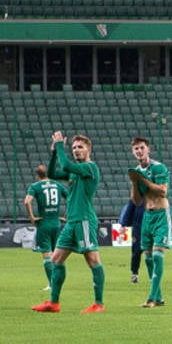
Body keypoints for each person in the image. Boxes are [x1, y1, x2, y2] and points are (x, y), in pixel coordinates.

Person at [32, 132, 105, 314]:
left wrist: (59, 146)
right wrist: (54, 153)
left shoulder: (90, 168)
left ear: (89, 149)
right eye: (73, 147)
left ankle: (99, 304)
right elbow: (51, 173)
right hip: (71, 222)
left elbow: (65, 165)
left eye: (80, 147)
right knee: (56, 259)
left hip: (84, 220)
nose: (76, 150)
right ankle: (53, 303)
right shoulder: (74, 170)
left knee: (93, 260)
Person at [128, 136, 171, 308]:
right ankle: (159, 297)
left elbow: (163, 191)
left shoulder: (159, 167)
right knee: (147, 258)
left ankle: (152, 298)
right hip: (146, 216)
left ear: (148, 149)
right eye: (136, 149)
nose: (139, 151)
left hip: (161, 215)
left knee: (158, 256)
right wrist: (134, 183)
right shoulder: (136, 172)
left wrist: (142, 180)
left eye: (142, 148)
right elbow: (137, 201)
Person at [25, 162, 67, 290]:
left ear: (37, 175)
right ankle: (58, 282)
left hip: (44, 223)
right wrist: (65, 216)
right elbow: (70, 198)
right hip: (56, 223)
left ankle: (52, 284)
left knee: (46, 255)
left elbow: (27, 201)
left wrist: (32, 217)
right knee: (57, 255)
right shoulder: (58, 185)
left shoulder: (35, 186)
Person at [120, 198, 145, 284]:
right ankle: (134, 274)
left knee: (153, 252)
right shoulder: (136, 196)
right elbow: (129, 209)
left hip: (151, 226)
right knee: (136, 252)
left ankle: (153, 275)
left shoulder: (152, 194)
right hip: (138, 228)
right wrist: (123, 225)